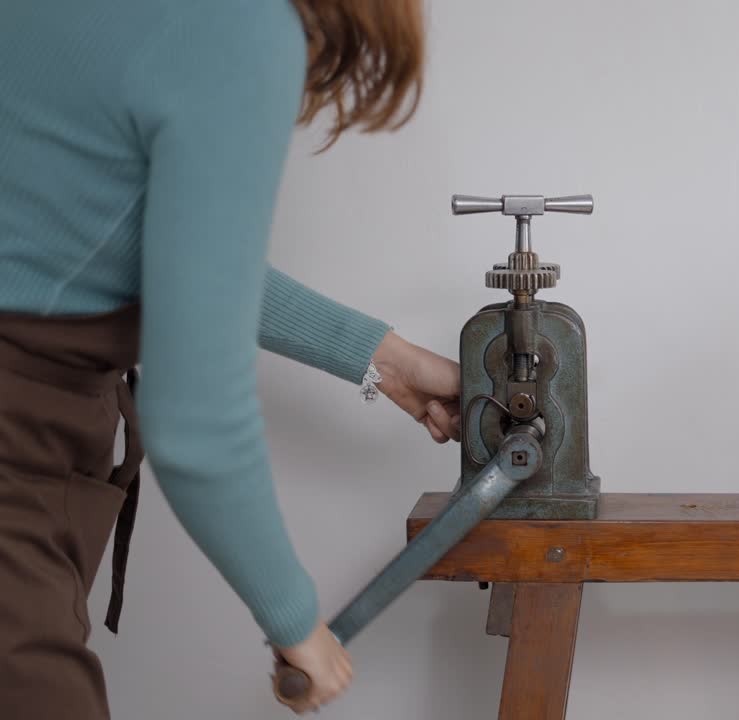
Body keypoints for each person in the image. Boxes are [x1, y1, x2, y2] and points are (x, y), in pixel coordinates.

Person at [0, 0, 442, 715]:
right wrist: (295, 619)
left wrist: (381, 358)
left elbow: (141, 247)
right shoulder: (235, 24)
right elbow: (197, 421)